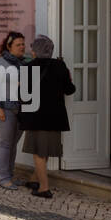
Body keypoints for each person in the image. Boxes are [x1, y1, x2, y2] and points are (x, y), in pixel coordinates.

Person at [18, 34, 76, 198]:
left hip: (36, 116)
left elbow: (23, 95)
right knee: (45, 150)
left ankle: (44, 188)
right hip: (55, 116)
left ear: (35, 51)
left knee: (39, 153)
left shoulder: (28, 68)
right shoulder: (60, 66)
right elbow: (70, 90)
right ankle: (34, 179)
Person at [0, 31, 27, 190]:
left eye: (23, 44)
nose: (22, 47)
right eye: (18, 44)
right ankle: (3, 177)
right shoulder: (1, 63)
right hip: (4, 108)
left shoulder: (24, 63)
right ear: (9, 46)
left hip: (20, 109)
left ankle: (10, 175)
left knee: (13, 144)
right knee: (5, 144)